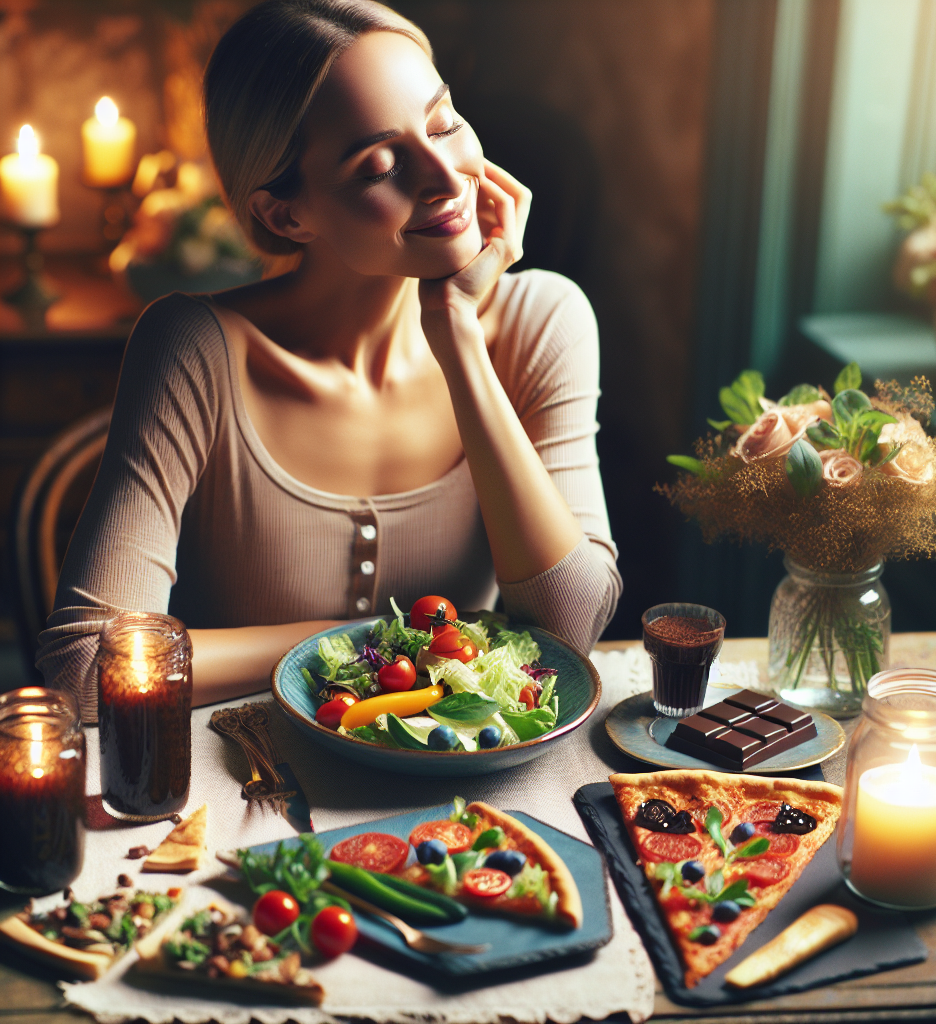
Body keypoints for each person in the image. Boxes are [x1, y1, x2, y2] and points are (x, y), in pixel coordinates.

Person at [38, 0, 620, 722]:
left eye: (444, 124)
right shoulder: (193, 347)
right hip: (249, 792)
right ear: (287, 215)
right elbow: (86, 668)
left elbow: (573, 624)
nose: (445, 176)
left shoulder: (542, 321)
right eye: (380, 165)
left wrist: (458, 340)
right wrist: (369, 648)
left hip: (469, 806)